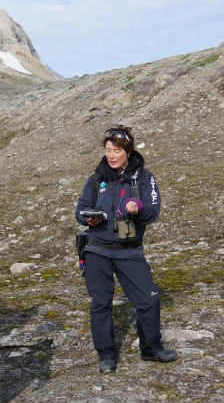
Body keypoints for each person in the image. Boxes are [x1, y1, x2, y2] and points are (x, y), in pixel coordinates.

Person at [75, 126, 178, 374]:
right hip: (97, 249)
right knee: (101, 303)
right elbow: (81, 208)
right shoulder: (96, 178)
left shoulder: (144, 178)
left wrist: (137, 209)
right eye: (108, 150)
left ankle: (151, 348)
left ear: (128, 151)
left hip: (130, 251)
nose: (111, 155)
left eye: (116, 151)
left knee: (148, 299)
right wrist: (87, 218)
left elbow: (152, 213)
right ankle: (106, 356)